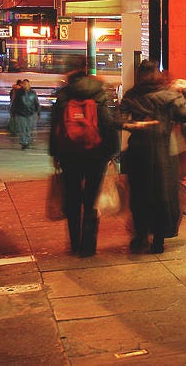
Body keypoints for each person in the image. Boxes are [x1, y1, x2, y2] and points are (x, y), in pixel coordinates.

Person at [119, 61, 186, 254]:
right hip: (162, 152)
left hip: (137, 151)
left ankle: (141, 235)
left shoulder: (131, 95)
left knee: (139, 195)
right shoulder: (168, 96)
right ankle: (159, 240)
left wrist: (134, 125)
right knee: (162, 195)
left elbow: (118, 120)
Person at [49, 60, 119, 257]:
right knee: (91, 199)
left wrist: (55, 153)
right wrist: (112, 151)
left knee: (72, 198)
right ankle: (88, 246)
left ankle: (74, 244)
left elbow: (55, 127)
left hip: (69, 154)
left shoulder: (63, 94)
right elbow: (106, 123)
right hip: (96, 154)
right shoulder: (98, 92)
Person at [12, 79, 40, 149]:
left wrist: (38, 112)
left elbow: (36, 102)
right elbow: (15, 103)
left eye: (26, 84)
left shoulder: (33, 93)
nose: (25, 85)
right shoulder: (19, 93)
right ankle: (24, 142)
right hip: (21, 113)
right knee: (23, 128)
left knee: (29, 128)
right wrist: (13, 112)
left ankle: (26, 141)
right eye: (24, 84)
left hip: (31, 113)